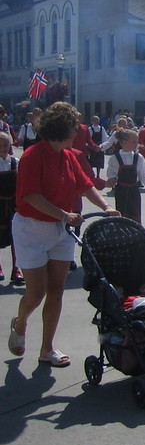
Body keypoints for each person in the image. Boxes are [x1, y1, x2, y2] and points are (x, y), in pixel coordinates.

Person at [8, 102, 120, 367]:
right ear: (61, 130)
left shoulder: (69, 156)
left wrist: (106, 207)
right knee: (36, 293)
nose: (77, 133)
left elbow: (85, 185)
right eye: (74, 129)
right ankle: (21, 322)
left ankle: (47, 349)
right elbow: (30, 196)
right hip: (31, 229)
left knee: (56, 292)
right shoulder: (32, 156)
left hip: (61, 230)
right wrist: (63, 214)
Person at [105, 129, 145, 222]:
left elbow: (144, 175)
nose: (136, 144)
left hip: (134, 191)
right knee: (122, 216)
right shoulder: (115, 158)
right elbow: (111, 173)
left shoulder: (138, 157)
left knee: (135, 216)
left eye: (137, 142)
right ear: (124, 142)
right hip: (121, 192)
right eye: (133, 142)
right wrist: (111, 179)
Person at [0, 132, 23, 284]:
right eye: (0, 145)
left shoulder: (15, 162)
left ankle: (16, 269)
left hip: (13, 204)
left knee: (16, 237)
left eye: (5, 145)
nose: (2, 148)